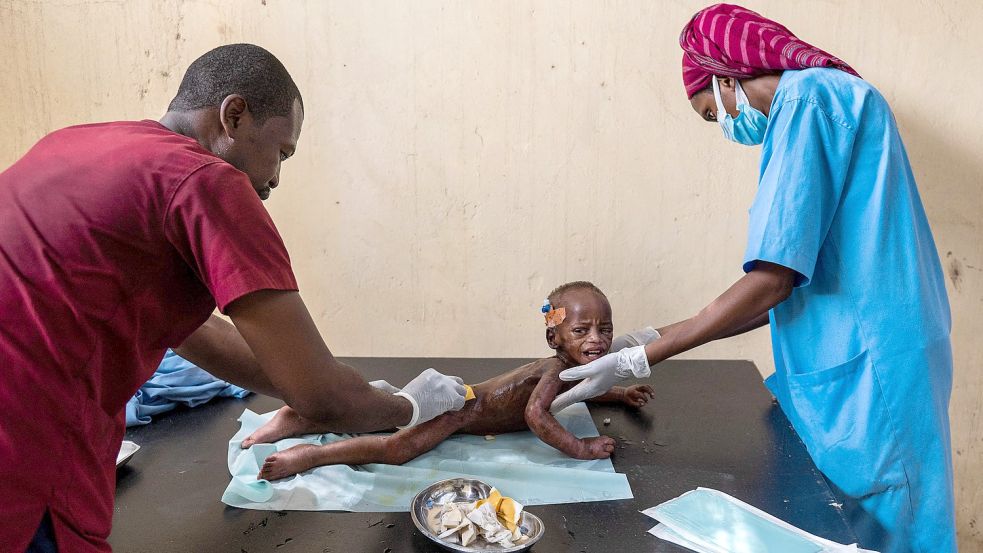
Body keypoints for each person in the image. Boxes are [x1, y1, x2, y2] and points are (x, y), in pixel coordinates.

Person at [0, 44, 467, 553]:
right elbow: (322, 396)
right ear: (234, 115)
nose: (275, 179)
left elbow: (192, 333)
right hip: (25, 447)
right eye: (281, 152)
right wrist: (405, 406)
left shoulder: (72, 143)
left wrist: (330, 392)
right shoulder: (205, 179)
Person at [550, 5, 955, 552]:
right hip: (876, 348)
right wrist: (643, 339)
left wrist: (644, 357)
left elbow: (774, 281)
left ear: (724, 79)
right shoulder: (831, 100)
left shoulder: (810, 101)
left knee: (889, 527)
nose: (726, 126)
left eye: (711, 113)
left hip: (873, 368)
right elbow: (788, 283)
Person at [243, 281, 655, 481]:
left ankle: (304, 420)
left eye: (605, 328)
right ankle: (310, 455)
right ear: (555, 337)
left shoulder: (568, 370)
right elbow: (537, 415)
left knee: (387, 419)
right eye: (581, 331)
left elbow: (580, 389)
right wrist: (579, 447)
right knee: (395, 448)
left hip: (467, 406)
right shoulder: (552, 369)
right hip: (461, 413)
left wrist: (618, 393)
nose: (598, 340)